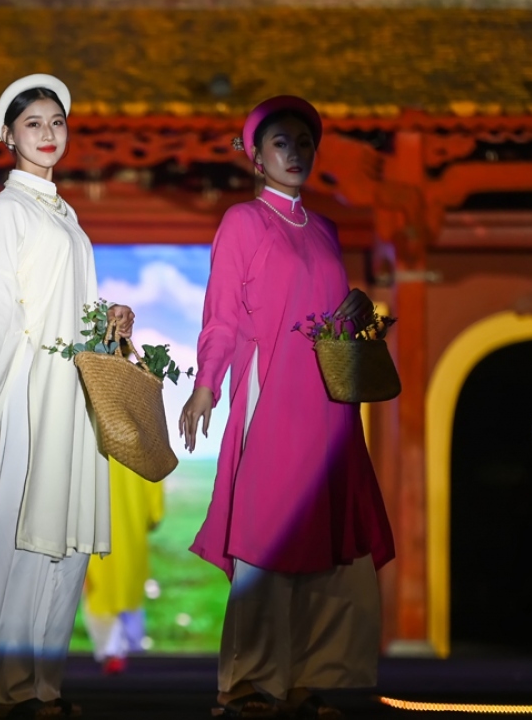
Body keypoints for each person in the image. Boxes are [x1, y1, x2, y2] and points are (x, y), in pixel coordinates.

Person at [180, 96, 395, 720]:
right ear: (255, 155)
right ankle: (250, 681)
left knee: (331, 534)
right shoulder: (244, 221)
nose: (295, 153)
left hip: (330, 405)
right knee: (268, 531)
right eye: (281, 142)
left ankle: (319, 676)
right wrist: (207, 386)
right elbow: (221, 315)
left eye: (305, 141)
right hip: (270, 392)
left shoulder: (326, 229)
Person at [0, 73, 134, 720]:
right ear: (8, 137)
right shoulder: (11, 208)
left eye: (56, 122)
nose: (48, 134)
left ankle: (41, 685)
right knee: (27, 531)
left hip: (74, 390)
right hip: (31, 388)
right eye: (33, 124)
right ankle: (1, 683)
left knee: (66, 540)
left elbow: (72, 304)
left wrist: (111, 322)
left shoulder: (63, 212)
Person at [82, 463, 163, 675]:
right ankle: (131, 653)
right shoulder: (145, 436)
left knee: (99, 593)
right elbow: (154, 514)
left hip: (92, 538)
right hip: (130, 537)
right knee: (129, 592)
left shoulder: (85, 434)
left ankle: (111, 653)